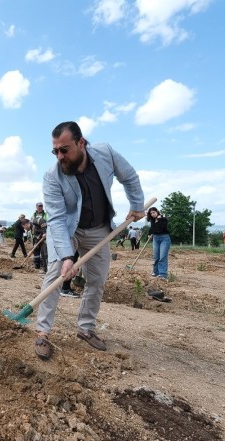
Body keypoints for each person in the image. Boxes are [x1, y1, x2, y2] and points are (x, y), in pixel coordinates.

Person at [35, 121, 145, 357]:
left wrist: (137, 206)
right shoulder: (52, 176)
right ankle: (43, 332)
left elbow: (130, 176)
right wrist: (67, 256)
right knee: (55, 273)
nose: (60, 156)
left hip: (99, 229)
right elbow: (55, 218)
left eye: (64, 149)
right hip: (67, 229)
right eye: (55, 151)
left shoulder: (105, 153)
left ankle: (86, 329)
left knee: (96, 280)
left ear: (81, 143)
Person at [147, 207, 170, 279]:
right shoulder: (152, 220)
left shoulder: (164, 219)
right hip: (156, 239)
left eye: (153, 212)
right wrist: (149, 234)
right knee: (156, 257)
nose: (152, 214)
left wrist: (159, 220)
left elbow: (160, 229)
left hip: (164, 238)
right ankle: (156, 272)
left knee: (162, 256)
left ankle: (162, 274)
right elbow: (152, 229)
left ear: (157, 212)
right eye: (151, 213)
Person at [31, 202, 49, 272]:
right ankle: (37, 265)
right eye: (39, 206)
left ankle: (45, 268)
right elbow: (32, 222)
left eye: (41, 206)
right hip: (36, 236)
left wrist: (44, 232)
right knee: (36, 250)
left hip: (44, 236)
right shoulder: (34, 215)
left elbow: (46, 223)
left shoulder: (46, 214)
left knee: (44, 252)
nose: (40, 207)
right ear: (36, 207)